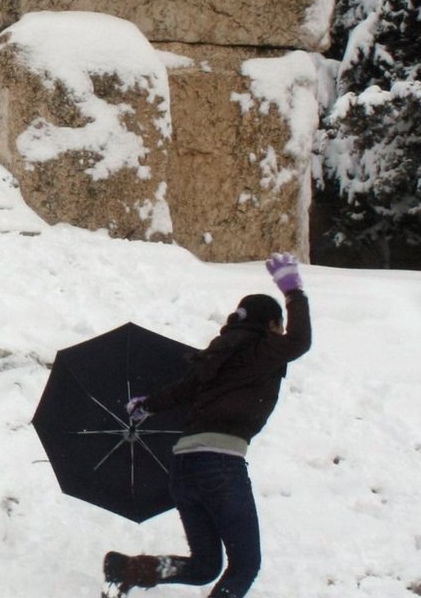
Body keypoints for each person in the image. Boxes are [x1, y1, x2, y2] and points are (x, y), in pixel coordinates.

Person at [102, 252, 311, 598]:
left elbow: (184, 389)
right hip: (220, 467)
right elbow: (300, 341)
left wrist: (147, 407)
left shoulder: (219, 353)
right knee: (245, 565)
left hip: (184, 469)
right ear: (271, 326)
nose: (283, 333)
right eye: (279, 327)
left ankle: (130, 570)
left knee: (205, 566)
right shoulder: (260, 350)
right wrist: (293, 291)